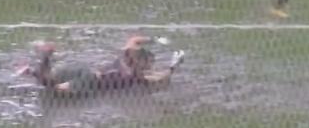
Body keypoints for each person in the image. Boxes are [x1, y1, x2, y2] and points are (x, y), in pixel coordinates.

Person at [18, 36, 185, 95]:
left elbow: (133, 40)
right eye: (151, 62)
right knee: (55, 88)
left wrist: (155, 39)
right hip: (91, 81)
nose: (152, 64)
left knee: (51, 78)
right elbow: (161, 78)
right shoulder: (138, 76)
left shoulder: (125, 57)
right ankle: (35, 69)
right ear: (144, 62)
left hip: (85, 69)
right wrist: (174, 66)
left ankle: (41, 62)